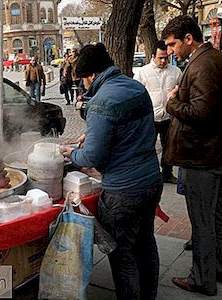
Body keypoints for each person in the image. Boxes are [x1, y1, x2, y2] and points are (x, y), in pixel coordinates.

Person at [61, 43, 162, 300]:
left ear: (91, 75)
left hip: (123, 191)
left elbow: (92, 157)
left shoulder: (101, 101)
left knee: (122, 252)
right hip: (151, 180)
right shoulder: (136, 87)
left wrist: (70, 153)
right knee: (146, 243)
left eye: (82, 79)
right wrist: (93, 134)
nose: (83, 85)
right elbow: (132, 132)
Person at [161, 15, 222, 296]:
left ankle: (202, 279)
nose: (171, 51)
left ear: (188, 38)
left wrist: (172, 101)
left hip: (203, 156)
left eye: (173, 45)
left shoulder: (204, 64)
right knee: (220, 215)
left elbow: (200, 113)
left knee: (203, 220)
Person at [134, 40, 182, 184]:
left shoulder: (176, 71)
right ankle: (149, 173)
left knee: (169, 146)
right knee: (148, 146)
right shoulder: (143, 72)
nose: (163, 60)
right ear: (153, 56)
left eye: (166, 57)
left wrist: (176, 90)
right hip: (150, 117)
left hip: (169, 117)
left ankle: (167, 173)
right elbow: (136, 94)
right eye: (160, 57)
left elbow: (182, 88)